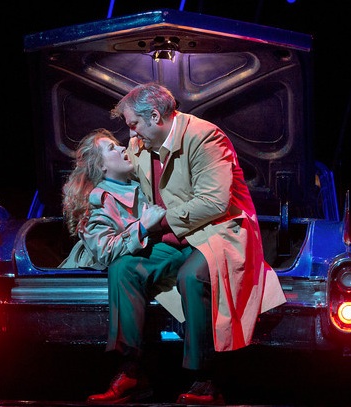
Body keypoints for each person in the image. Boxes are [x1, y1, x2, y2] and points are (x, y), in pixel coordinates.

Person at [86, 83, 286, 405]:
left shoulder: (205, 137)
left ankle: (205, 380)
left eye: (133, 124)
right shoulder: (141, 144)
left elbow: (214, 203)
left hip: (220, 231)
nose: (130, 133)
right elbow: (114, 176)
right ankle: (131, 371)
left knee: (192, 276)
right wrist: (91, 203)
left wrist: (160, 221)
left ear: (155, 116)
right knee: (124, 268)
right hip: (176, 235)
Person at [58, 128, 182, 273]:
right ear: (100, 166)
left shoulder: (139, 185)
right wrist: (142, 227)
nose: (122, 148)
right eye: (112, 148)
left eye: (117, 145)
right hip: (98, 278)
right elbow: (105, 252)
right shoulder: (97, 200)